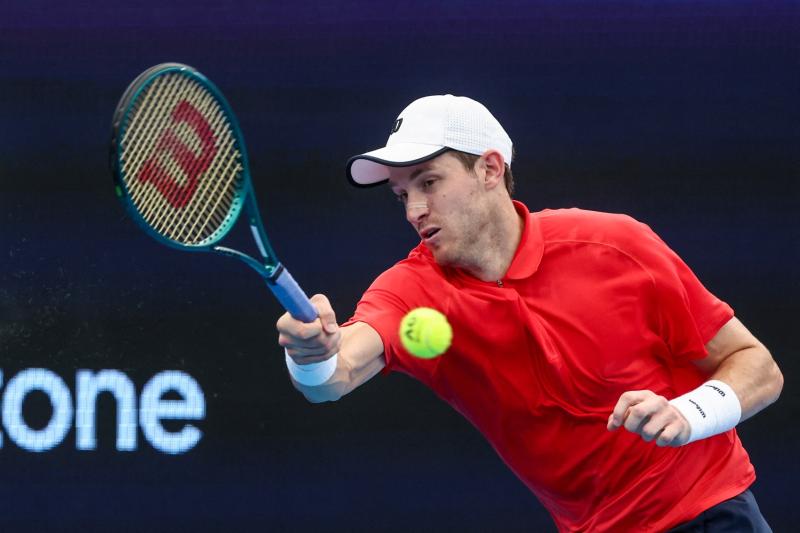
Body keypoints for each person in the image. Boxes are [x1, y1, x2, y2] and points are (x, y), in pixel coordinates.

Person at [276, 94, 783, 532]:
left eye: (429, 182)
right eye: (402, 195)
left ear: (490, 169)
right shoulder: (412, 289)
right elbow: (334, 376)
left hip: (712, 514)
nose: (414, 210)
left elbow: (757, 365)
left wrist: (689, 414)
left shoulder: (617, 244)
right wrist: (310, 355)